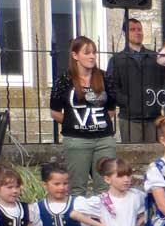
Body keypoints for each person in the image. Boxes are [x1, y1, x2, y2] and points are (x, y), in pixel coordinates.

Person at [49, 36, 117, 196]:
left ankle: (103, 221)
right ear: (75, 55)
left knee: (106, 188)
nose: (92, 56)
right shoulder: (64, 80)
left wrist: (96, 123)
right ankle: (79, 220)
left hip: (104, 140)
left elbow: (112, 109)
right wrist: (74, 124)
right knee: (77, 188)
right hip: (76, 141)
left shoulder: (105, 77)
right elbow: (55, 112)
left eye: (94, 52)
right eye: (87, 53)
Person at [108, 17, 165, 143]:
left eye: (139, 29)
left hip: (153, 117)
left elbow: (163, 83)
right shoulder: (117, 59)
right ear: (125, 33)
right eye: (132, 30)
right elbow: (112, 87)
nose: (137, 32)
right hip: (130, 118)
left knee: (154, 157)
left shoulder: (155, 57)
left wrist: (157, 101)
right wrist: (126, 102)